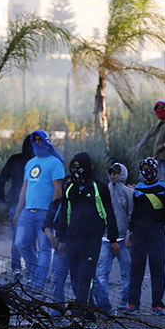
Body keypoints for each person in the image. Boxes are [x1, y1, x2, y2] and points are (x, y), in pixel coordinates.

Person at [57, 153, 119, 319]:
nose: (77, 170)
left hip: (91, 240)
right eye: (74, 166)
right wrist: (61, 238)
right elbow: (64, 213)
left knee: (86, 277)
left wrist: (113, 239)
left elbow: (109, 214)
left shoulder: (99, 187)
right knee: (75, 279)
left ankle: (82, 314)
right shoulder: (70, 188)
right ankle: (88, 315)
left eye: (80, 166)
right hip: (72, 240)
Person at [13, 130, 65, 289]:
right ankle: (36, 273)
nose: (37, 142)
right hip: (28, 212)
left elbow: (58, 189)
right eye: (34, 140)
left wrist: (52, 213)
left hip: (45, 212)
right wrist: (18, 211)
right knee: (20, 243)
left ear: (46, 141)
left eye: (39, 139)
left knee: (44, 248)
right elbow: (24, 189)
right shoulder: (30, 163)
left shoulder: (55, 163)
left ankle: (39, 284)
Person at [125, 157, 165, 316]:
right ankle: (133, 304)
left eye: (149, 167)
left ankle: (157, 305)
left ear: (155, 169)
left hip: (157, 234)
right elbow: (134, 213)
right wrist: (130, 233)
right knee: (136, 271)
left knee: (157, 270)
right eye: (144, 168)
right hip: (139, 235)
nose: (147, 170)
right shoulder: (138, 188)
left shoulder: (164, 187)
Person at [91, 163, 134, 312]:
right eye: (111, 172)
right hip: (104, 239)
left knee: (126, 273)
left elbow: (131, 215)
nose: (113, 175)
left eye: (116, 172)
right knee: (102, 273)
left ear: (122, 173)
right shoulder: (103, 190)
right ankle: (103, 304)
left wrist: (129, 234)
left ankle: (124, 302)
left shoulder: (129, 193)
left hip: (123, 239)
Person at [0, 135, 33, 276]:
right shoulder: (38, 161)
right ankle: (32, 271)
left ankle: (16, 268)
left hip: (14, 203)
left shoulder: (14, 159)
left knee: (17, 237)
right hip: (32, 204)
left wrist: (2, 198)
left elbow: (1, 181)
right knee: (31, 239)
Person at [42, 176, 72, 316]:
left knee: (85, 281)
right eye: (66, 185)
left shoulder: (81, 205)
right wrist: (52, 238)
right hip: (60, 248)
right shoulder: (57, 204)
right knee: (57, 280)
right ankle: (58, 310)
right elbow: (47, 224)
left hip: (77, 248)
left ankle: (101, 307)